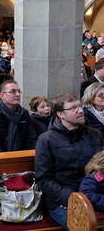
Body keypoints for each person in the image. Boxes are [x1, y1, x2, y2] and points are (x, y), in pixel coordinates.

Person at [35, 93, 103, 229]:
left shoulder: (95, 134)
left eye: (80, 106)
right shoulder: (46, 139)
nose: (80, 111)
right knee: (82, 227)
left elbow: (102, 167)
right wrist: (71, 198)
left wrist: (94, 196)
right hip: (64, 200)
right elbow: (43, 179)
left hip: (96, 195)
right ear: (60, 114)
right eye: (73, 108)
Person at [0, 80, 36, 153]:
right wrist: (7, 160)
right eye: (13, 91)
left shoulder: (23, 113)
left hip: (22, 155)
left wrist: (28, 156)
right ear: (1, 95)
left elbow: (31, 138)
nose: (17, 94)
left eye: (19, 91)